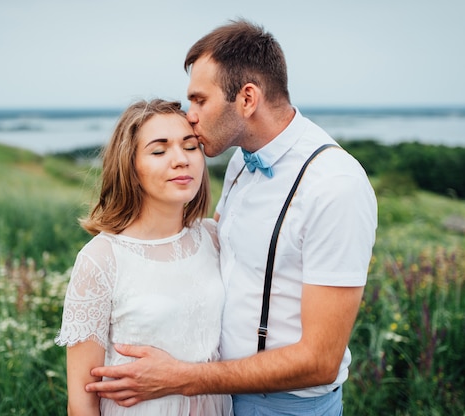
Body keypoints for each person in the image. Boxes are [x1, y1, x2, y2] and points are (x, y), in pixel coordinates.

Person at [85, 19, 378, 415]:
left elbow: (321, 360)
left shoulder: (334, 185)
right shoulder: (242, 160)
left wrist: (182, 378)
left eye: (199, 100)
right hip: (215, 398)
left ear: (247, 99)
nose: (190, 116)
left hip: (282, 407)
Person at [55, 99, 232, 415]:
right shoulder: (101, 259)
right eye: (159, 150)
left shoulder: (213, 237)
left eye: (190, 147)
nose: (180, 160)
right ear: (131, 168)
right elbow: (81, 401)